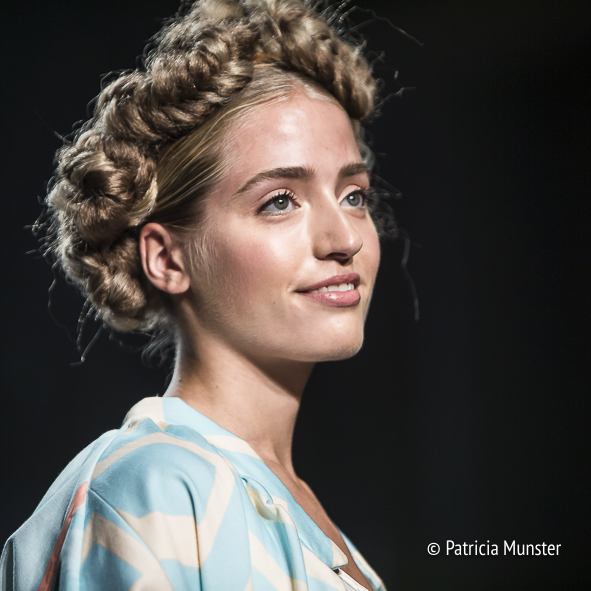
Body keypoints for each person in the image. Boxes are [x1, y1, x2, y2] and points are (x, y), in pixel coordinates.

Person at [1, 0, 389, 589]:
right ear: (166, 258)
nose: (345, 240)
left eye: (353, 195)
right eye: (279, 201)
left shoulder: (295, 508)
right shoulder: (155, 487)